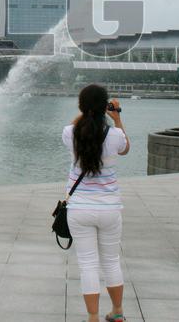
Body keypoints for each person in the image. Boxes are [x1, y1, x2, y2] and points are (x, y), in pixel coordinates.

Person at [62, 84, 130, 322]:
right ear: (105, 107)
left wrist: (89, 111)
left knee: (88, 265)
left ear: (82, 107)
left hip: (79, 208)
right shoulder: (114, 135)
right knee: (111, 261)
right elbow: (125, 149)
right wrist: (116, 117)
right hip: (110, 208)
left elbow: (76, 124)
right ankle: (118, 312)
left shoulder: (70, 132)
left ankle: (93, 317)